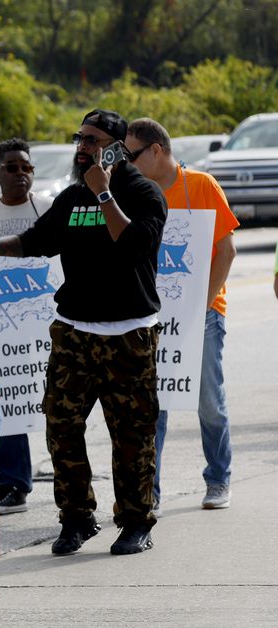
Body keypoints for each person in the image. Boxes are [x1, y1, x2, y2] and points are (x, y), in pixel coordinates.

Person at [0, 109, 167, 556]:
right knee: (61, 428)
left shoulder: (144, 194)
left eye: (93, 140)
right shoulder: (71, 197)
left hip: (129, 337)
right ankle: (77, 518)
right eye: (79, 138)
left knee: (132, 435)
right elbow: (37, 239)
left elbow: (136, 245)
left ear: (117, 148)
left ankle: (136, 521)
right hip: (75, 334)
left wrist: (103, 194)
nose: (82, 147)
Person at [126, 118, 239, 512]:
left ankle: (219, 478)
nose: (127, 162)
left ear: (156, 150)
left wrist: (203, 306)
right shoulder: (133, 194)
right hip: (152, 319)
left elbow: (226, 251)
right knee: (153, 405)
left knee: (209, 400)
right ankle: (149, 492)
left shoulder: (201, 186)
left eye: (133, 154)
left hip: (204, 314)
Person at [0, 138, 54, 516]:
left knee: (56, 407)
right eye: (12, 168)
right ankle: (13, 486)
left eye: (27, 168)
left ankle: (71, 487)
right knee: (7, 404)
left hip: (48, 328)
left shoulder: (50, 209)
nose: (21, 175)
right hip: (2, 334)